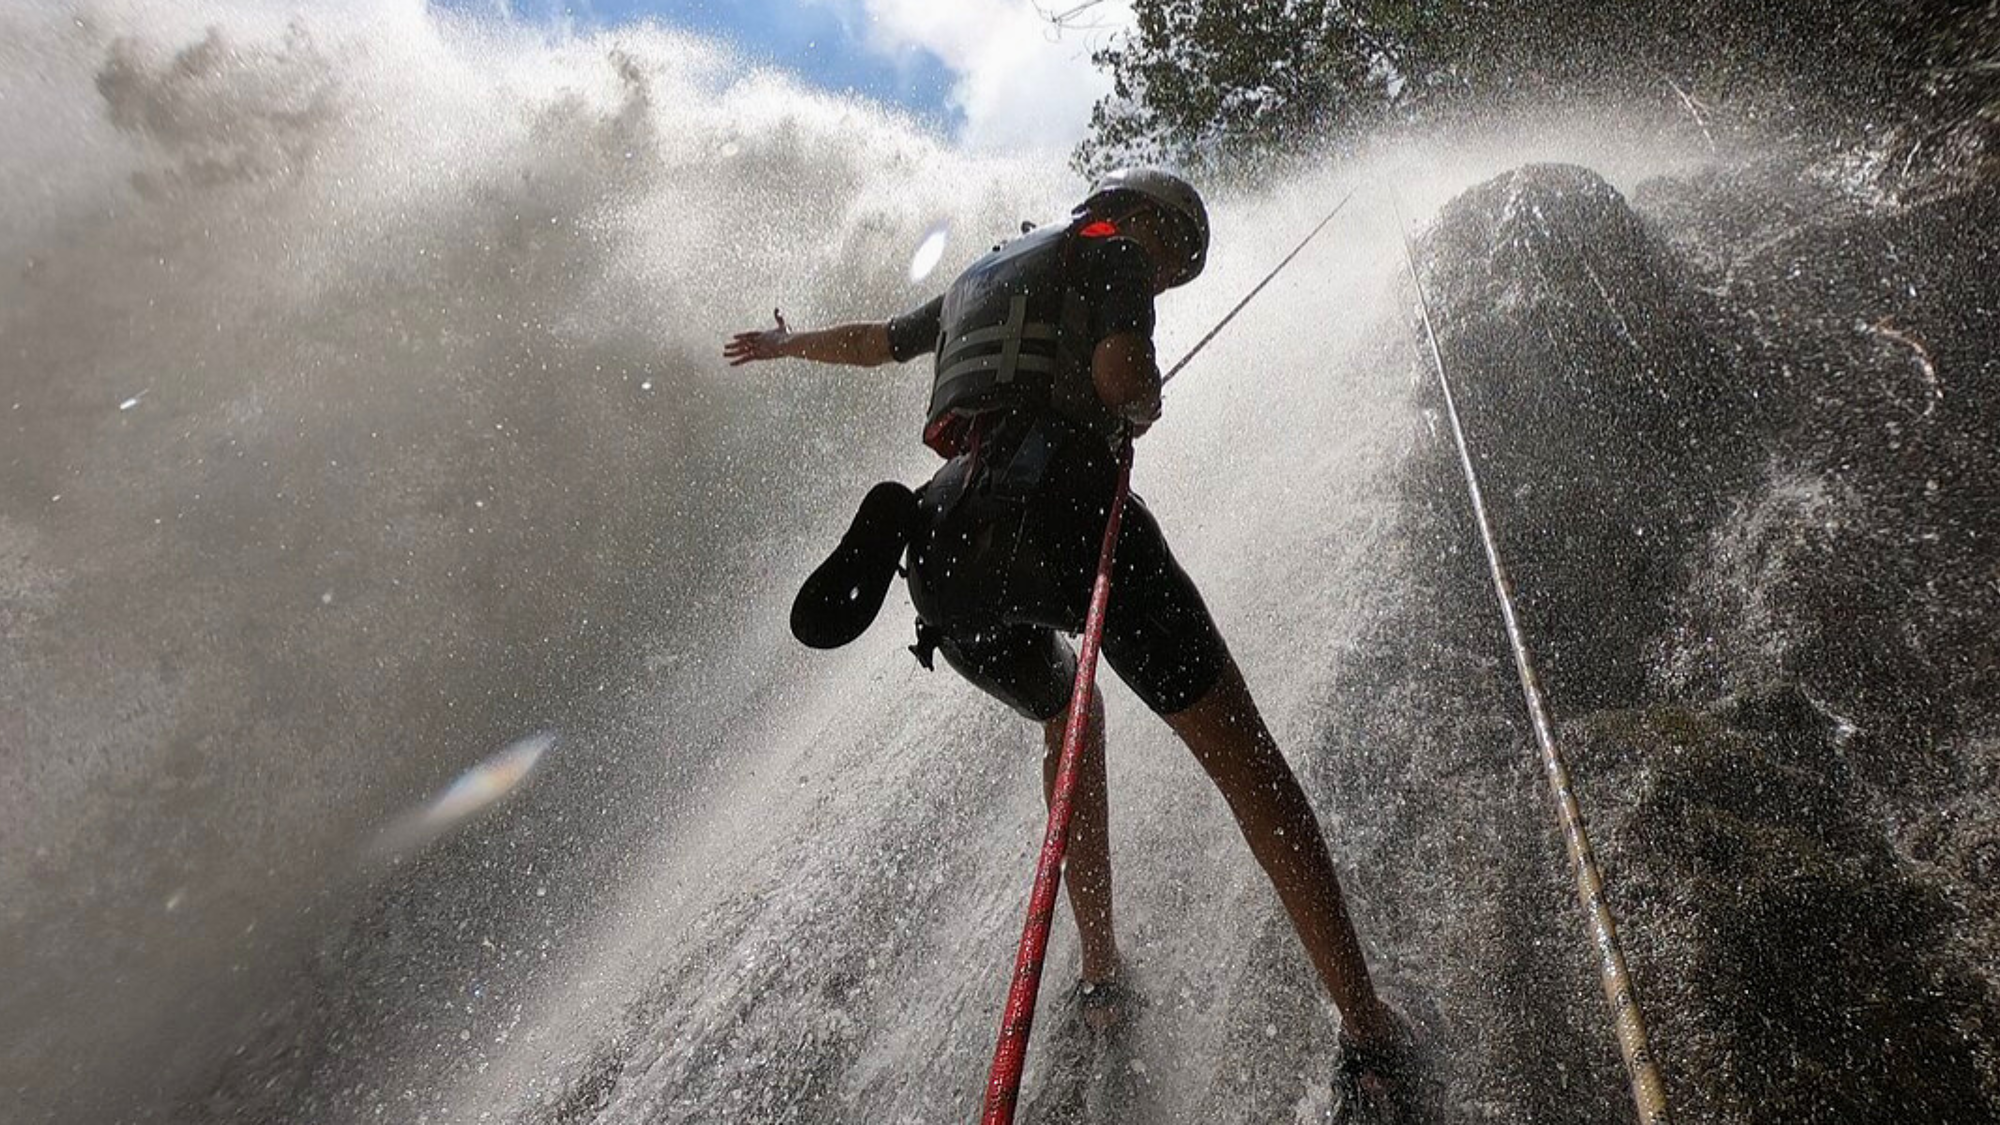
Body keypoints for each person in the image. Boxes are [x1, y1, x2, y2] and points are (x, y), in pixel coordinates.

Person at [725, 168, 1410, 1115]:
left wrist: (785, 343)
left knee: (1066, 708)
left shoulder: (978, 274)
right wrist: (1139, 406)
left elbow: (881, 343)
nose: (1163, 282)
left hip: (945, 553)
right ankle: (1370, 1030)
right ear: (1141, 220)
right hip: (1067, 512)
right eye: (1173, 265)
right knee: (1247, 762)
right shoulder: (1113, 250)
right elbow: (1122, 378)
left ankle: (1097, 975)